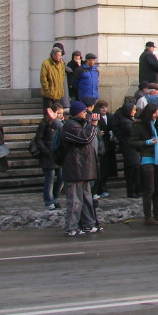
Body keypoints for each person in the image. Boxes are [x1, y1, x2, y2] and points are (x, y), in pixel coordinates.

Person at [61, 101, 103, 237]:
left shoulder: (80, 124)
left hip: (84, 168)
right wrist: (93, 125)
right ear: (76, 112)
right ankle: (71, 226)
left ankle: (88, 224)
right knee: (74, 200)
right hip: (75, 169)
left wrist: (90, 124)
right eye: (83, 111)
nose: (86, 113)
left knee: (86, 199)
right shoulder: (70, 126)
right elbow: (85, 138)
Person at [131, 102, 158, 225]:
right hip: (147, 158)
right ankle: (148, 216)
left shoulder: (157, 124)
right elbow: (132, 142)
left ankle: (157, 214)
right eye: (154, 112)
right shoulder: (140, 125)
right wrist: (146, 142)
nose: (156, 114)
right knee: (149, 189)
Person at [40, 47, 66, 113]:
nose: (60, 57)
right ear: (53, 55)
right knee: (48, 114)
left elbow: (63, 74)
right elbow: (43, 77)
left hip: (58, 93)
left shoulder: (62, 63)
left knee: (57, 113)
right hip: (49, 94)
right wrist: (47, 89)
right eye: (59, 55)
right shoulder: (46, 63)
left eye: (61, 55)